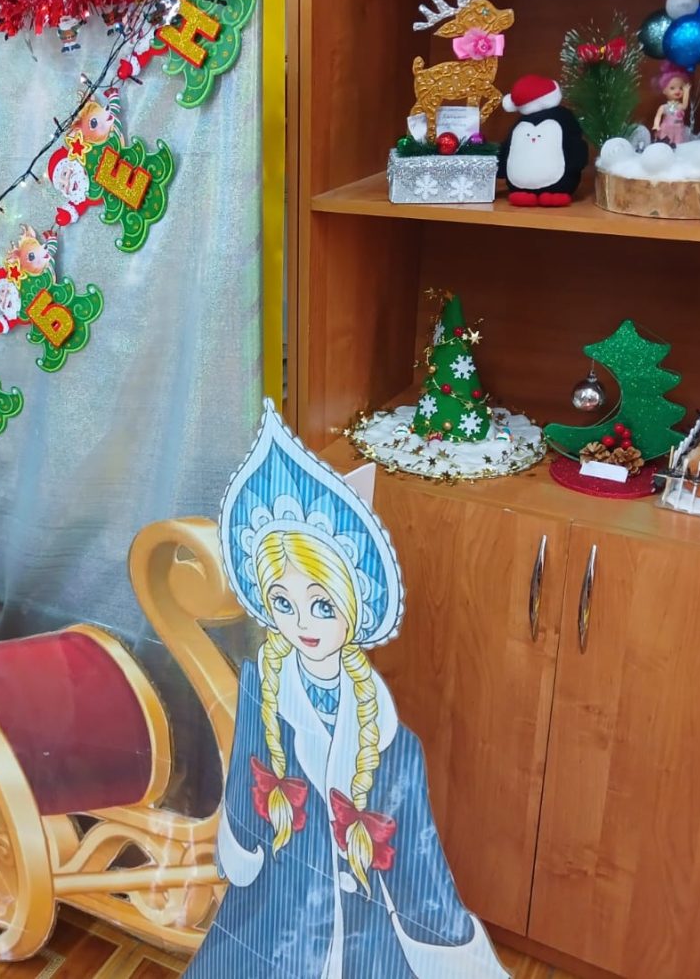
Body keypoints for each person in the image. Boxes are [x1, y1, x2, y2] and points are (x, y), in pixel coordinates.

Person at [187, 402, 506, 978]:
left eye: (321, 605)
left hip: (361, 933)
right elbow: (244, 784)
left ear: (354, 604)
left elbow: (419, 871)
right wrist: (242, 846)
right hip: (274, 913)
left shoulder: (396, 747)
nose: (302, 624)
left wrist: (463, 958)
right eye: (283, 602)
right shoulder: (262, 684)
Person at [652, 62, 692, 146]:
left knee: (678, 144)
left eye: (681, 88)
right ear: (664, 91)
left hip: (678, 129)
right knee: (665, 144)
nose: (677, 91)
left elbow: (685, 106)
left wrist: (686, 92)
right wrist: (656, 125)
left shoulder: (679, 106)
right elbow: (658, 116)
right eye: (672, 88)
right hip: (666, 128)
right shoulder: (664, 107)